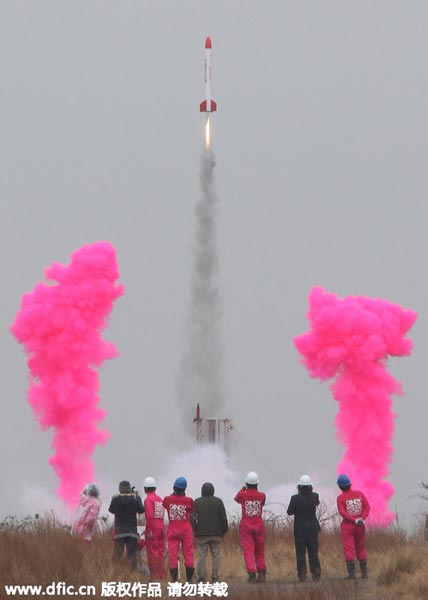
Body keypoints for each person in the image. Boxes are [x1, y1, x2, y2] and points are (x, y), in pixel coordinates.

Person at [191, 482, 228, 583]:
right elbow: (223, 518)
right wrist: (223, 530)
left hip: (202, 534)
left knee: (202, 555)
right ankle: (215, 577)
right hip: (216, 533)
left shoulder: (197, 502)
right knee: (216, 555)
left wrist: (195, 530)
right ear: (213, 491)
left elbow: (192, 518)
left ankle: (201, 577)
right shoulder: (219, 502)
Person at [287, 475, 321, 582]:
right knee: (313, 552)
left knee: (300, 553)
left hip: (300, 529)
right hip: (312, 528)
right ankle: (316, 572)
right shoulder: (315, 496)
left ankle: (302, 574)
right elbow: (316, 502)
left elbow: (289, 512)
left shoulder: (295, 498)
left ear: (299, 486)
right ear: (310, 486)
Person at [234, 471, 266, 583]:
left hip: (246, 525)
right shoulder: (262, 496)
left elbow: (236, 498)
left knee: (248, 550)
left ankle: (251, 572)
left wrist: (243, 489)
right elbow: (262, 504)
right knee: (259, 550)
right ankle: (261, 572)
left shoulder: (243, 495)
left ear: (247, 483)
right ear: (257, 483)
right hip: (258, 524)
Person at [336, 474, 370, 579]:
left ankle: (351, 574)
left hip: (348, 526)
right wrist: (362, 518)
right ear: (349, 484)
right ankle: (364, 573)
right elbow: (367, 507)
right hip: (360, 525)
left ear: (340, 486)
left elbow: (343, 512)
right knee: (361, 547)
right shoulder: (359, 494)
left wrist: (353, 520)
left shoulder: (340, 498)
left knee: (349, 548)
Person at [163, 477, 195, 582]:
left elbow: (165, 505)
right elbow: (191, 510)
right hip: (186, 529)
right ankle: (189, 579)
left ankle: (174, 579)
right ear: (184, 489)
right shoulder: (189, 500)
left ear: (174, 487)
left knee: (173, 554)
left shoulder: (167, 499)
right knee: (188, 553)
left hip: (173, 529)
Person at [109, 480, 145, 570]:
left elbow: (111, 510)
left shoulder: (115, 499)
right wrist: (137, 497)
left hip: (119, 531)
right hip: (131, 531)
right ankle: (133, 574)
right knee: (132, 555)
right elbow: (141, 509)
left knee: (117, 555)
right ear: (129, 489)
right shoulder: (134, 500)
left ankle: (115, 572)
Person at [143, 476, 166, 579]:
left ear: (145, 489)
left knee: (153, 553)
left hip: (153, 529)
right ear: (155, 488)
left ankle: (154, 576)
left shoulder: (148, 500)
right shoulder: (160, 499)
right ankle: (162, 575)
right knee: (161, 552)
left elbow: (149, 516)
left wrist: (148, 531)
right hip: (161, 528)